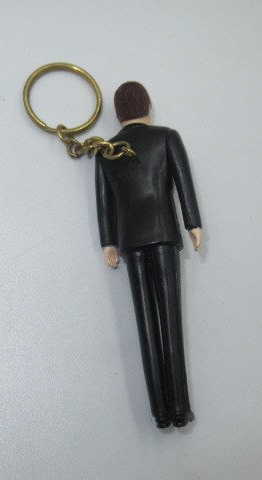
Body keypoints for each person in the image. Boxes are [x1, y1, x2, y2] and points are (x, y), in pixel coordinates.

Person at [95, 81, 202, 428]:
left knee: (146, 323)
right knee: (170, 322)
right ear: (148, 105)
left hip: (130, 239)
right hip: (163, 233)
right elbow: (183, 183)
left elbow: (104, 204)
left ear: (117, 113)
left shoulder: (106, 150)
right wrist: (193, 223)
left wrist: (109, 243)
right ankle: (179, 410)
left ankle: (160, 414)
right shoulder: (166, 137)